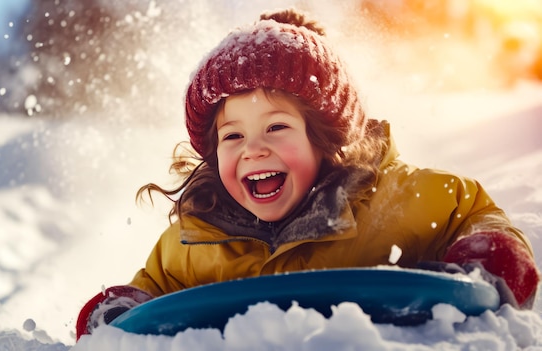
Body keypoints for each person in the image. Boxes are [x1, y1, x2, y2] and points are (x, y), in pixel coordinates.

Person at [75, 8, 539, 340]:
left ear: (325, 138)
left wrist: (489, 255)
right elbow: (151, 293)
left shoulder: (397, 199)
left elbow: (473, 215)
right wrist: (116, 309)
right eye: (231, 137)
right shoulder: (196, 239)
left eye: (277, 127)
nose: (254, 149)